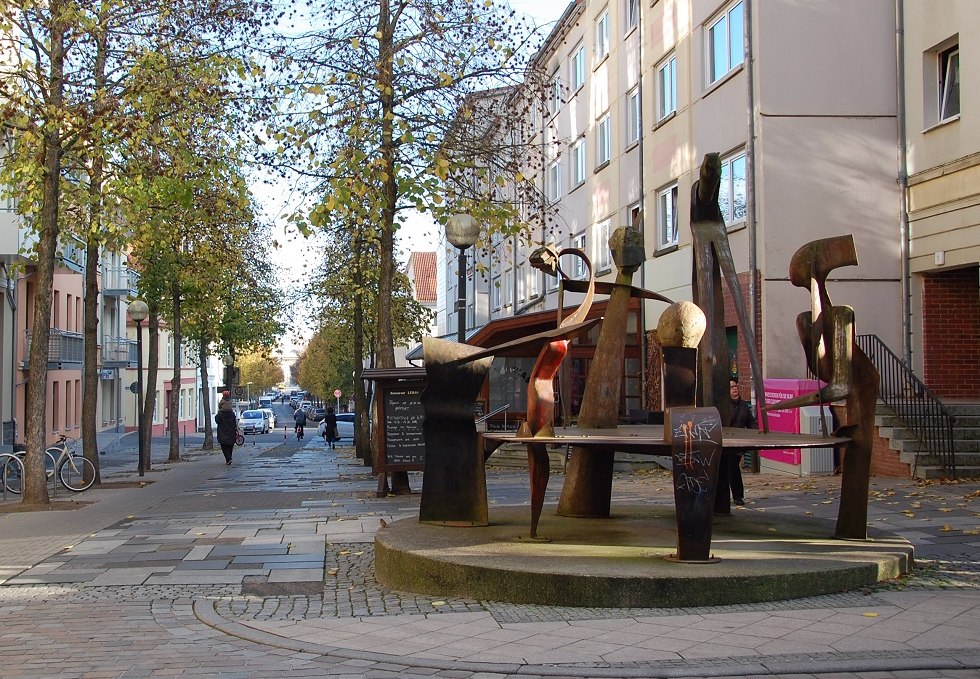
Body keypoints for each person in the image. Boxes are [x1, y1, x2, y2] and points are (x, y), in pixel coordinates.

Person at [728, 379, 756, 505]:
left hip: (738, 444)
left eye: (736, 386)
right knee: (732, 468)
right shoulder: (724, 405)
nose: (735, 389)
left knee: (732, 467)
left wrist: (755, 434)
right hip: (727, 442)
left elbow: (750, 422)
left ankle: (738, 495)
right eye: (732, 387)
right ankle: (737, 496)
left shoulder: (743, 405)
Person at [215, 392, 238, 465]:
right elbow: (235, 422)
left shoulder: (220, 413)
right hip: (231, 431)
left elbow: (217, 421)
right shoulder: (232, 413)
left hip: (222, 431)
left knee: (223, 445)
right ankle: (229, 457)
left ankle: (228, 458)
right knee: (230, 445)